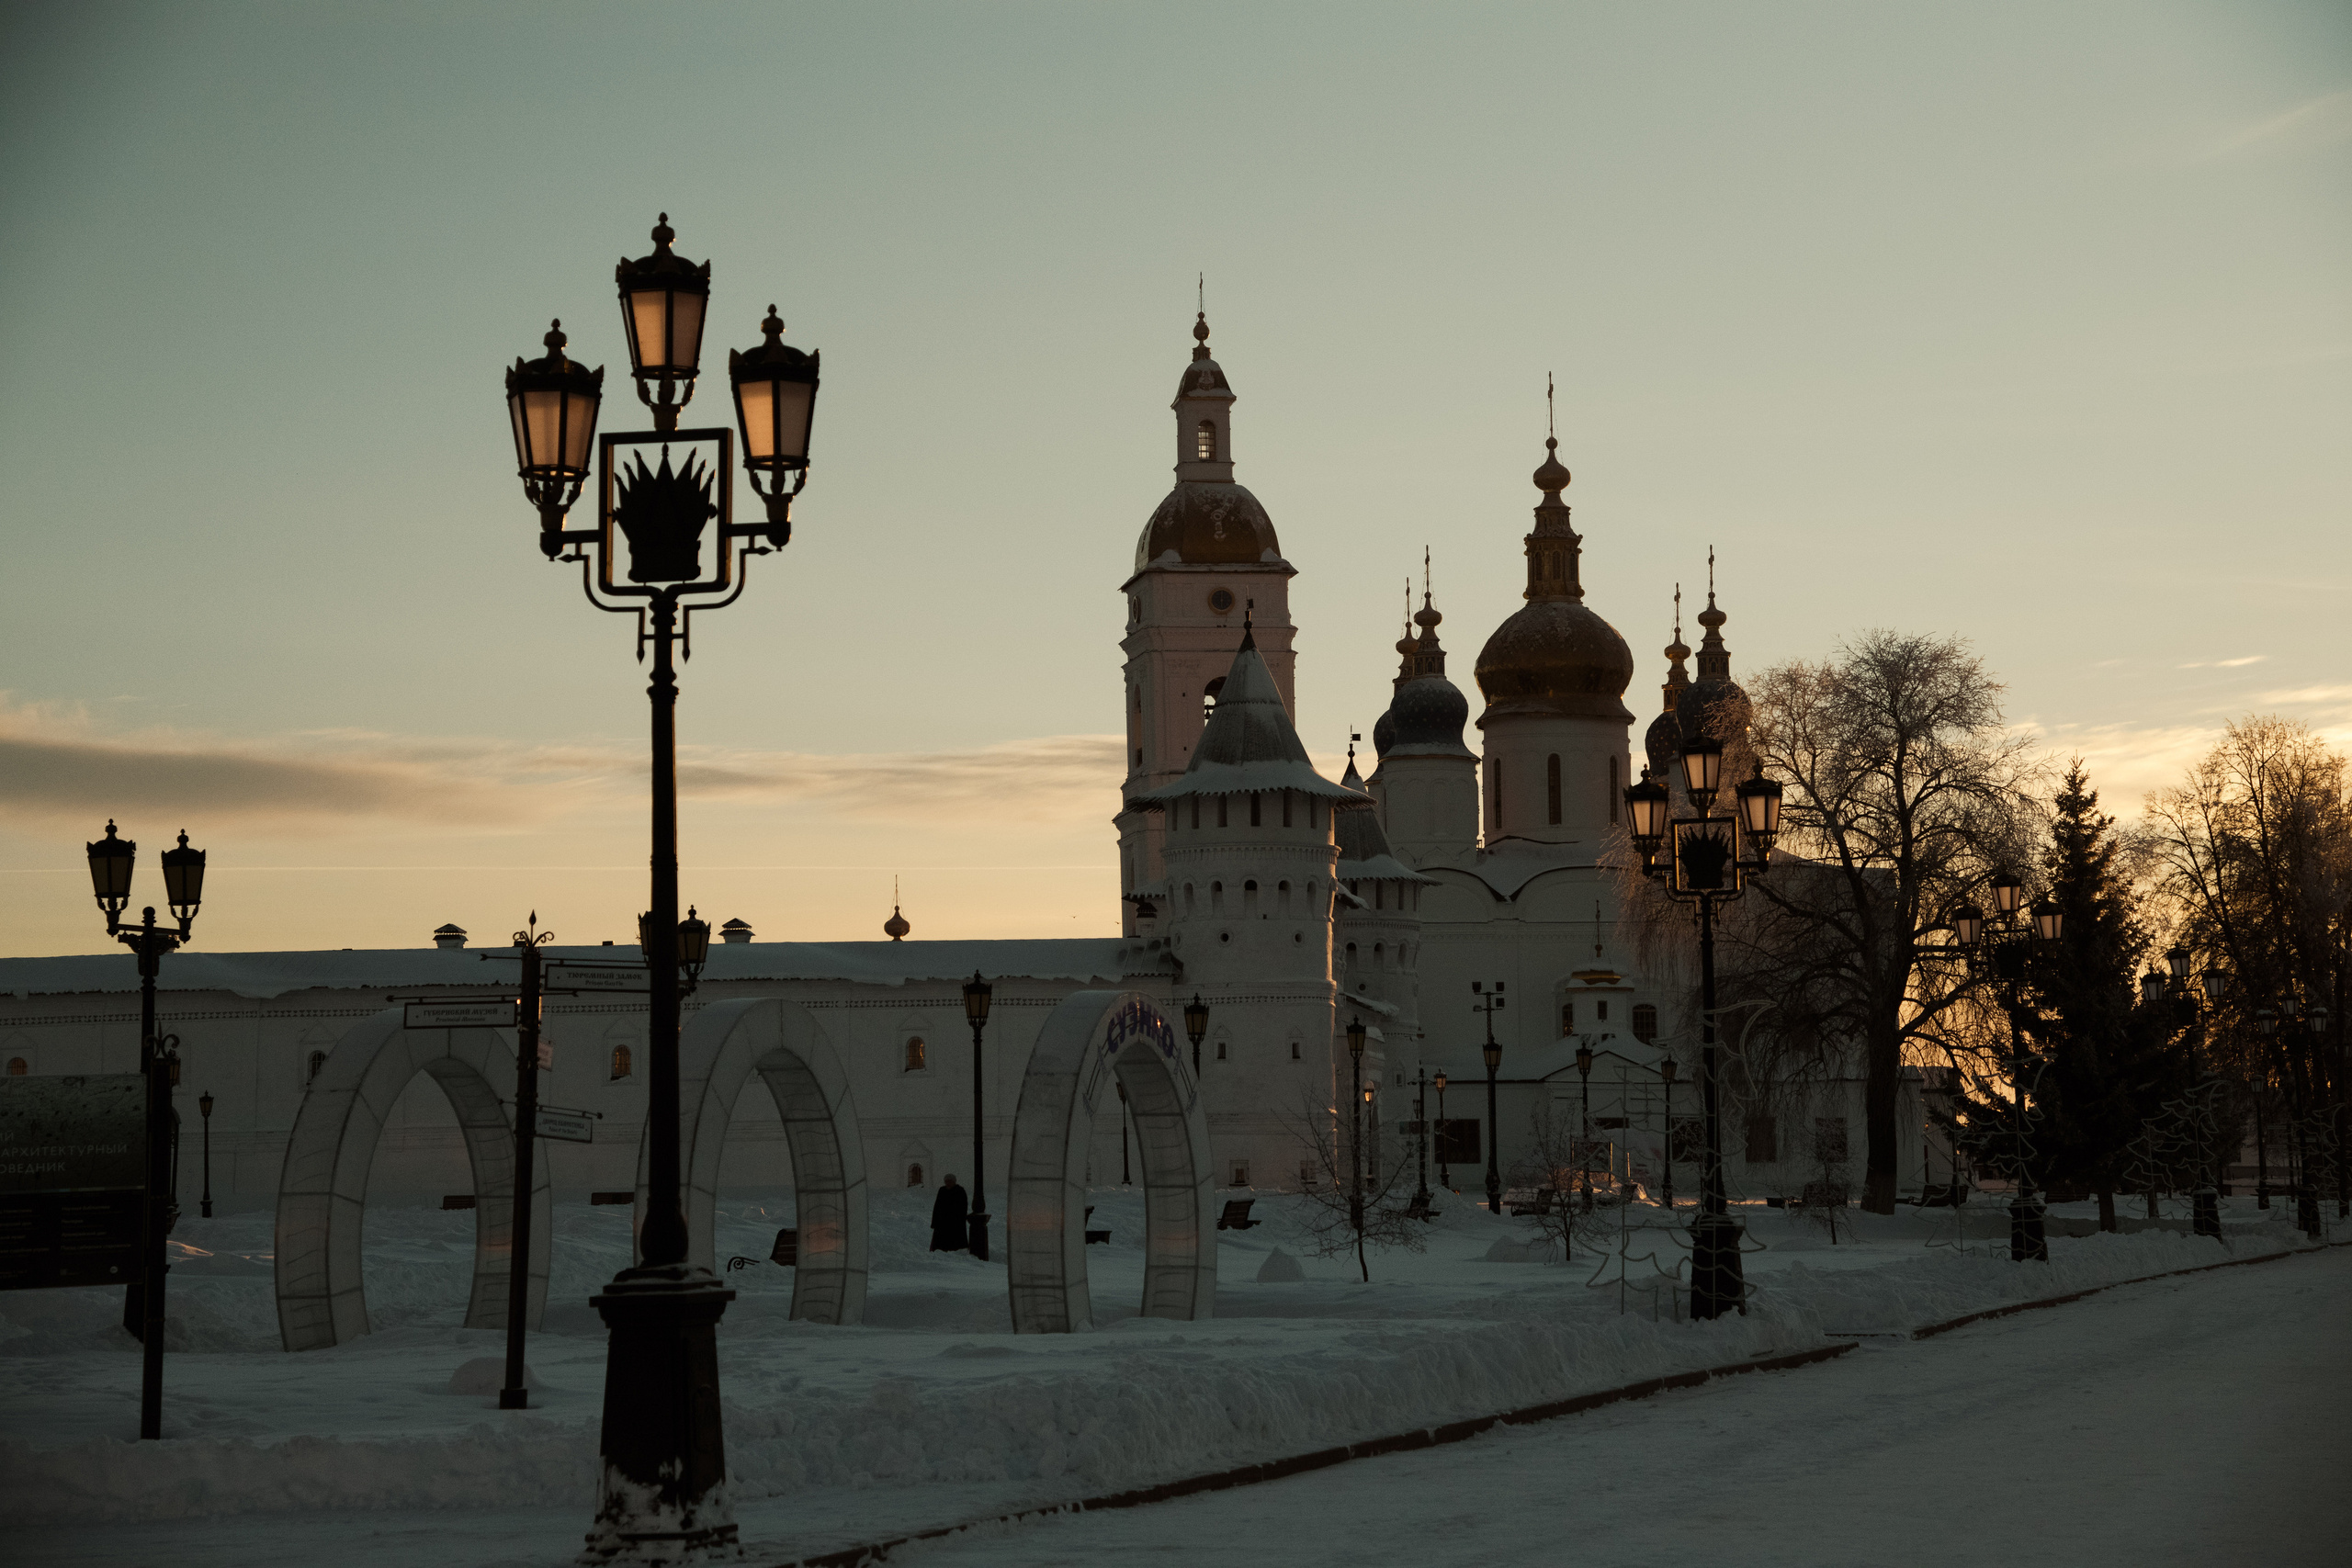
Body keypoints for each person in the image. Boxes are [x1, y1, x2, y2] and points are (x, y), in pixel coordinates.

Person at [930, 1173, 969, 1253]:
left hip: (955, 1221)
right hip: (942, 1221)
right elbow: (937, 1206)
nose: (948, 1183)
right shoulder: (942, 1190)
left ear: (954, 1182)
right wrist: (935, 1221)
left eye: (950, 1181)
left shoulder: (960, 1191)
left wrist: (959, 1218)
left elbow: (963, 1207)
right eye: (946, 1181)